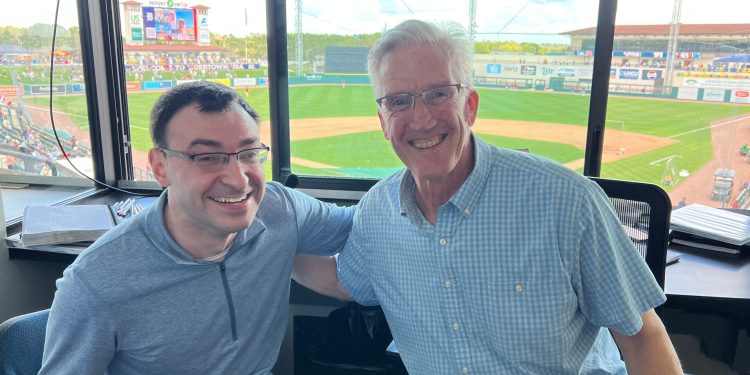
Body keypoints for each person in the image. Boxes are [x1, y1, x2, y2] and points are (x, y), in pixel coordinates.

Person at [293, 20, 681, 374]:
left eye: (439, 93)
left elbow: (643, 337)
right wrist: (267, 240)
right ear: (383, 122)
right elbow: (347, 280)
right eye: (398, 101)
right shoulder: (377, 213)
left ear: (471, 106)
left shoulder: (567, 201)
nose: (422, 118)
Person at [39, 81, 355, 374]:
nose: (238, 179)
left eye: (248, 154)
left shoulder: (279, 209)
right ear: (160, 167)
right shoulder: (95, 283)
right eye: (206, 157)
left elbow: (362, 225)